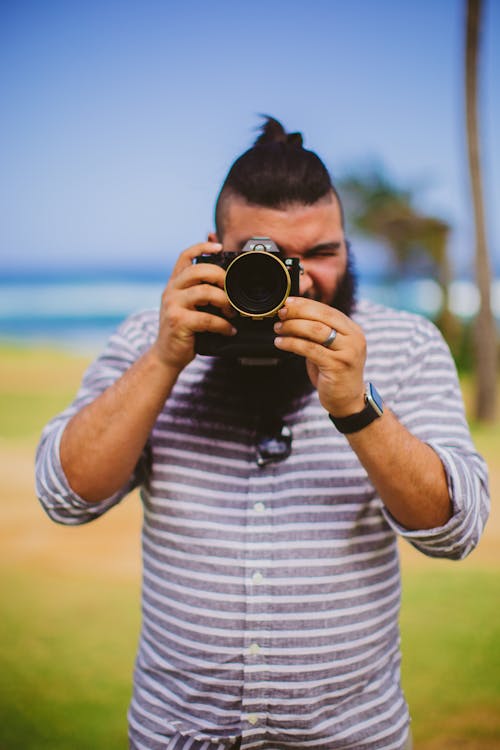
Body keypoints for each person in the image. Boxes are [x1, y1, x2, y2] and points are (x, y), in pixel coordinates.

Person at [36, 116, 489, 750]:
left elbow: (457, 530)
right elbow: (65, 494)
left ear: (347, 247)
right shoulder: (154, 339)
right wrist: (167, 358)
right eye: (268, 258)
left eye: (323, 254)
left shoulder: (405, 344)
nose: (299, 280)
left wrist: (357, 406)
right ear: (215, 251)